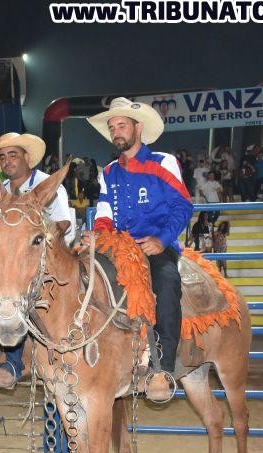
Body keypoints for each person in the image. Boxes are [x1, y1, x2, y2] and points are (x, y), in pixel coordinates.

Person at [85, 97, 193, 402]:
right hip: (120, 248)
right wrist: (97, 236)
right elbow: (105, 212)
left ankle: (164, 368)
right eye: (112, 127)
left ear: (138, 128)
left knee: (167, 282)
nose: (116, 131)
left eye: (122, 125)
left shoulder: (162, 162)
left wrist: (161, 239)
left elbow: (182, 205)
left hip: (157, 245)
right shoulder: (108, 171)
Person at [0, 132, 76, 388]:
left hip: (48, 255)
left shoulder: (47, 184)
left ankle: (15, 361)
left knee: (20, 283)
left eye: (13, 154)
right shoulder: (0, 194)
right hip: (12, 259)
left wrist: (32, 238)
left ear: (27, 158)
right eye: (3, 157)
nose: (7, 161)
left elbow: (64, 222)